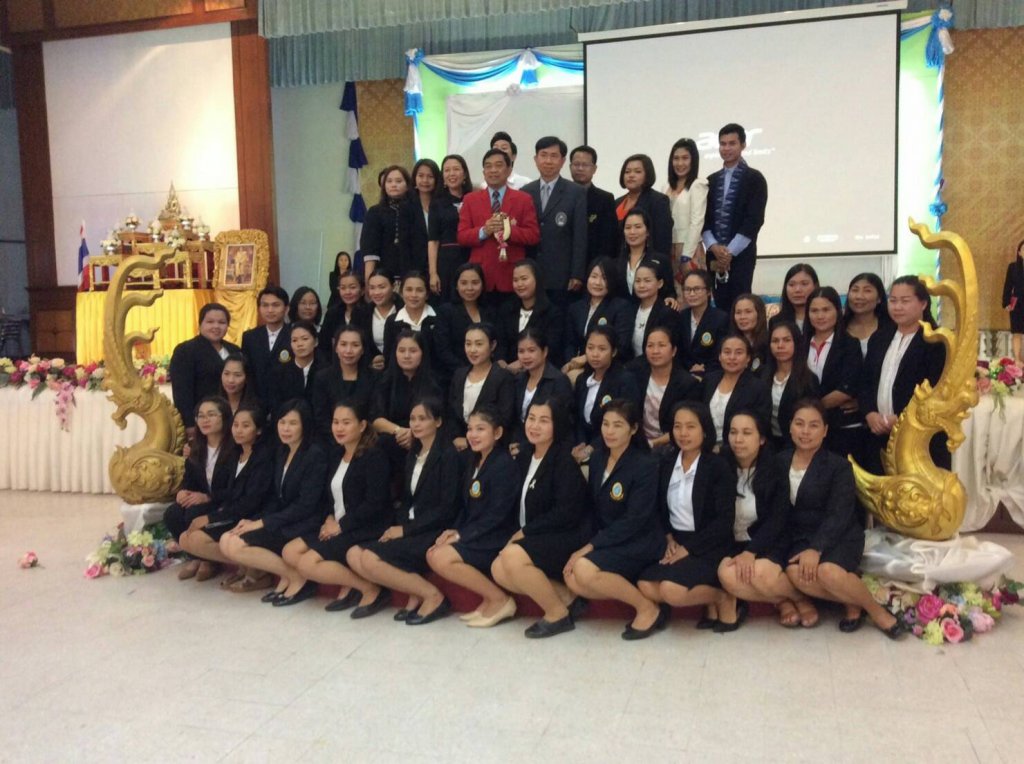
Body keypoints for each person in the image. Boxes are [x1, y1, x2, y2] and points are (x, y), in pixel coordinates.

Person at [778, 400, 903, 637]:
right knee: (795, 574)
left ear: (825, 431)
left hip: (840, 534)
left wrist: (816, 548)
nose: (805, 431)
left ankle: (876, 612)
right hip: (801, 537)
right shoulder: (779, 462)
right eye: (799, 424)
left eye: (814, 425)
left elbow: (839, 514)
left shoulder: (839, 466)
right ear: (790, 427)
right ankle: (851, 601)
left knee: (828, 572)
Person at [564, 399, 667, 640]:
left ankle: (647, 608)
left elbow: (635, 520)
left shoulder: (645, 464)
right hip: (610, 538)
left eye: (618, 425)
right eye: (606, 424)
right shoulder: (598, 458)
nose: (609, 431)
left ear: (633, 429)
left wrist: (591, 547)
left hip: (640, 540)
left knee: (584, 569)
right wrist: (586, 542)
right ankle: (638, 596)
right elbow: (593, 507)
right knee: (573, 579)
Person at [283, 401, 394, 617]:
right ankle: (353, 584)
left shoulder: (374, 456)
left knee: (307, 564)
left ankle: (370, 589)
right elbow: (330, 497)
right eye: (335, 422)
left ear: (362, 425)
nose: (339, 428)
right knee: (291, 551)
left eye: (346, 422)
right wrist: (329, 518)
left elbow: (375, 503)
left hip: (364, 526)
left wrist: (341, 526)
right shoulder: (336, 454)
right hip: (339, 523)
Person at [359, 397, 464, 625]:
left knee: (369, 558)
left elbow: (446, 509)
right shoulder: (413, 453)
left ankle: (434, 596)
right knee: (358, 555)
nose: (416, 424)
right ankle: (416, 593)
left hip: (433, 530)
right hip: (412, 526)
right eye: (412, 419)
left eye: (422, 419)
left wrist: (406, 530)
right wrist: (400, 526)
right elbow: (407, 499)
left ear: (438, 422)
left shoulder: (448, 455)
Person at [637, 402, 741, 631]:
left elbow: (724, 521)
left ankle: (722, 597)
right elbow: (658, 509)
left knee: (671, 590)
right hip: (675, 541)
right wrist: (668, 538)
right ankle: (711, 598)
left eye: (691, 427)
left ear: (705, 430)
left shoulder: (717, 466)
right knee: (645, 584)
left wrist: (689, 548)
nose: (683, 433)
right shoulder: (665, 463)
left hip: (709, 545)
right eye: (678, 426)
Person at [492, 398, 590, 638]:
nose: (534, 426)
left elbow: (566, 513)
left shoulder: (563, 460)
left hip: (564, 534)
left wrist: (525, 532)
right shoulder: (525, 455)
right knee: (498, 569)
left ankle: (557, 614)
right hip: (536, 533)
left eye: (544, 421)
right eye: (531, 418)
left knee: (512, 556)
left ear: (557, 425)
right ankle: (568, 598)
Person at [219, 399, 328, 606]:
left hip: (307, 522)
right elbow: (275, 498)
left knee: (236, 544)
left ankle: (297, 578)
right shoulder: (282, 451)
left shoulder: (315, 455)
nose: (286, 428)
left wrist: (263, 523)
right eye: (282, 422)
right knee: (228, 539)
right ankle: (289, 576)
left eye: (293, 423)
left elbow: (306, 505)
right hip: (285, 519)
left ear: (305, 425)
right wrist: (256, 520)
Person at [426, 407, 520, 627]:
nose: (473, 435)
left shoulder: (504, 465)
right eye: (470, 429)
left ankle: (500, 599)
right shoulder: (472, 460)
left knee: (440, 558)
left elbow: (497, 515)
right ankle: (489, 599)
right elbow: (466, 506)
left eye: (480, 429)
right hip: (476, 532)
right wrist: (454, 530)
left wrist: (462, 535)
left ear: (497, 433)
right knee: (433, 552)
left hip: (496, 536)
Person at [179, 404, 275, 591]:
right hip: (233, 513)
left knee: (196, 538)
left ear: (259, 430)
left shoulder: (262, 458)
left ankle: (257, 570)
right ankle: (245, 566)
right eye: (236, 425)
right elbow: (229, 492)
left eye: (246, 426)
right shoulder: (236, 453)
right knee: (186, 539)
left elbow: (251, 502)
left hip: (251, 517)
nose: (238, 430)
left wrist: (211, 517)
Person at [860, 275, 949, 474]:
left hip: (919, 439)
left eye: (905, 301)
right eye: (893, 300)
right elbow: (865, 382)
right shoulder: (879, 338)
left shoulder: (937, 342)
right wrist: (870, 414)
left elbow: (936, 391)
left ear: (923, 303)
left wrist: (901, 419)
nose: (897, 307)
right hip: (878, 436)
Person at [717, 412, 796, 628]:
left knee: (761, 574)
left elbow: (778, 518)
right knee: (726, 575)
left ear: (761, 439)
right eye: (733, 432)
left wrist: (751, 551)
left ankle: (799, 599)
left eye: (746, 433)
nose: (738, 439)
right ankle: (785, 600)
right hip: (732, 543)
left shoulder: (775, 468)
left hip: (768, 541)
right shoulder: (720, 466)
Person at [457, 148, 541, 306]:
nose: (493, 170)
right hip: (480, 276)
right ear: (483, 172)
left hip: (512, 275)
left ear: (509, 170)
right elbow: (462, 236)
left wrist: (507, 230)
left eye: (498, 165)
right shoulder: (470, 199)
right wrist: (484, 231)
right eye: (488, 166)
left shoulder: (523, 199)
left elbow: (533, 235)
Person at [701, 123, 768, 312]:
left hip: (741, 256)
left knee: (741, 305)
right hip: (714, 255)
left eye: (732, 143)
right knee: (719, 307)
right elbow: (704, 219)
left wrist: (729, 252)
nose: (726, 148)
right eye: (723, 144)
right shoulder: (711, 181)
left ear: (743, 145)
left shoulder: (755, 179)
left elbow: (754, 220)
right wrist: (714, 247)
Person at [166, 396, 234, 581]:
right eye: (201, 416)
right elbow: (189, 479)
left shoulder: (235, 448)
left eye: (211, 415)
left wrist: (208, 497)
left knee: (193, 513)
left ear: (224, 417)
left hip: (224, 500)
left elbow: (236, 487)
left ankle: (208, 560)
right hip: (203, 498)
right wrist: (183, 491)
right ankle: (195, 556)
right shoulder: (196, 447)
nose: (205, 420)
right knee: (172, 513)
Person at [521, 136, 588, 307]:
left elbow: (580, 236)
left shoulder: (576, 192)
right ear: (536, 159)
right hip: (531, 272)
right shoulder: (525, 192)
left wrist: (577, 274)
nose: (548, 161)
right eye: (543, 155)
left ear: (563, 161)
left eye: (554, 156)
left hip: (561, 275)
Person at [372, 329, 442, 476]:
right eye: (402, 350)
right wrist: (400, 431)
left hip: (425, 439)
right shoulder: (384, 380)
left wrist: (414, 434)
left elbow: (438, 420)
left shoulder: (434, 382)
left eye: (413, 351)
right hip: (395, 437)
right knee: (383, 443)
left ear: (422, 353)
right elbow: (377, 419)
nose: (407, 356)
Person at [806, 287, 863, 458]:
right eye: (814, 310)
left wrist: (812, 409)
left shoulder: (850, 344)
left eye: (826, 310)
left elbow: (847, 387)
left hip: (842, 427)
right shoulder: (800, 344)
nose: (820, 316)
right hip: (806, 430)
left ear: (838, 311)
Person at [571, 326, 642, 459]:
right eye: (590, 348)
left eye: (602, 349)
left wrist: (591, 448)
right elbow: (578, 419)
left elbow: (625, 422)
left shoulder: (625, 380)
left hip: (615, 448)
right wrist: (581, 444)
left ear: (613, 352)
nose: (595, 354)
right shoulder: (582, 379)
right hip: (583, 446)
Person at [170, 303, 240, 435]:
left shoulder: (234, 350)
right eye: (210, 322)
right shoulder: (186, 350)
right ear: (200, 324)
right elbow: (182, 391)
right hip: (203, 420)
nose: (216, 326)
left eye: (221, 322)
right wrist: (189, 424)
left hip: (231, 418)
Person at [628, 327, 701, 448]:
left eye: (661, 345)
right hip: (637, 441)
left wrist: (653, 444)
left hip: (672, 445)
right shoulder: (636, 376)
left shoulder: (687, 384)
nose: (655, 351)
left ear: (673, 351)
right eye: (650, 346)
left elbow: (687, 424)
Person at [449, 323, 515, 449]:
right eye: (468, 344)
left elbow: (505, 418)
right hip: (459, 444)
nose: (472, 350)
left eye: (479, 344)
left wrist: (471, 440)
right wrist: (456, 437)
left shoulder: (503, 377)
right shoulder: (459, 375)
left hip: (492, 446)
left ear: (492, 345)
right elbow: (451, 412)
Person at [311, 325, 378, 445]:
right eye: (343, 344)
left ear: (363, 349)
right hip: (331, 441)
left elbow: (375, 414)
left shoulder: (374, 377)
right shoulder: (322, 378)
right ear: (336, 347)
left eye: (355, 345)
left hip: (366, 442)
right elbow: (321, 417)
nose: (348, 350)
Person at [701, 334, 770, 449]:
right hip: (705, 446)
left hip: (738, 448)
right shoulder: (709, 380)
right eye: (727, 352)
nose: (732, 357)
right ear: (720, 356)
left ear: (748, 358)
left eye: (738, 353)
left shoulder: (758, 388)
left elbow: (761, 425)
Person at [564, 257, 633, 371]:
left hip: (609, 367)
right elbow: (569, 343)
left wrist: (586, 358)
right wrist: (571, 363)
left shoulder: (621, 306)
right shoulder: (576, 307)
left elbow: (622, 345)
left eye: (604, 278)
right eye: (594, 276)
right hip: (578, 365)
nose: (597, 282)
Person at [511, 328, 573, 451]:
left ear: (544, 352)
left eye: (531, 350)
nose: (526, 356)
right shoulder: (518, 380)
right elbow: (515, 419)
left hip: (550, 447)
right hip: (520, 443)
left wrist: (525, 447)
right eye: (521, 351)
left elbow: (563, 424)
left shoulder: (559, 381)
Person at [433, 263, 496, 381]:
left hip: (489, 374)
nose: (470, 288)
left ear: (482, 284)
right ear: (456, 285)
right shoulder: (446, 312)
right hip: (455, 375)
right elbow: (443, 350)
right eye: (464, 283)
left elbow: (499, 342)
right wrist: (468, 371)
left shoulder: (491, 311)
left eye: (475, 283)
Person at [497, 260, 564, 369]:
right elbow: (501, 342)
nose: (519, 284)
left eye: (524, 279)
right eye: (515, 280)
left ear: (537, 279)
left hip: (540, 369)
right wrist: (501, 362)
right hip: (507, 370)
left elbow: (551, 348)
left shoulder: (552, 313)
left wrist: (520, 364)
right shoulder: (506, 309)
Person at [765, 320, 819, 451]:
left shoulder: (808, 379)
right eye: (775, 341)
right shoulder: (761, 375)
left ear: (796, 343)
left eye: (786, 340)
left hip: (797, 445)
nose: (780, 345)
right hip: (766, 444)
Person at [428, 154, 474, 300]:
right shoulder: (437, 203)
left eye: (456, 169)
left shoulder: (474, 198)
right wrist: (433, 273)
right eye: (447, 170)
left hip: (471, 256)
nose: (451, 174)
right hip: (446, 261)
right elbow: (433, 241)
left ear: (464, 174)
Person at [664, 138, 709, 277]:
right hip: (669, 247)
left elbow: (697, 221)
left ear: (693, 160)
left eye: (685, 158)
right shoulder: (666, 187)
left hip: (689, 248)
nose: (680, 163)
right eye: (676, 158)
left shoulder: (698, 184)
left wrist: (687, 255)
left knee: (692, 287)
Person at [614, 153, 673, 258]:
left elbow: (662, 240)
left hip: (647, 262)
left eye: (637, 171)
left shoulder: (658, 201)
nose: (631, 175)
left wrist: (655, 264)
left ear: (647, 175)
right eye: (627, 172)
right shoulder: (616, 202)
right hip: (619, 261)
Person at [241, 286, 292, 404]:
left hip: (287, 401)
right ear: (259, 308)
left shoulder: (294, 335)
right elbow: (248, 372)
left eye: (275, 305)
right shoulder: (249, 337)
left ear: (286, 309)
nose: (270, 310)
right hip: (256, 402)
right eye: (265, 305)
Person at [361, 165, 412, 282]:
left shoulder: (414, 210)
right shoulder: (375, 212)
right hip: (383, 276)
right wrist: (369, 281)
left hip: (411, 274)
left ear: (407, 185)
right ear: (384, 186)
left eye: (398, 181)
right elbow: (370, 250)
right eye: (389, 181)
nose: (393, 185)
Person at [569, 145, 618, 264]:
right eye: (576, 164)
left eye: (585, 165)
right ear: (570, 167)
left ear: (594, 169)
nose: (580, 168)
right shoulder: (561, 196)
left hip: (594, 265)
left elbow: (609, 239)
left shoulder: (605, 199)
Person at [616, 208, 675, 305]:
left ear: (647, 231)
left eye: (638, 227)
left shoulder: (661, 261)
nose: (632, 232)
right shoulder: (616, 262)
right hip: (623, 313)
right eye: (628, 227)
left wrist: (670, 298)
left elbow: (670, 292)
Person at [267, 320, 324, 416]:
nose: (299, 344)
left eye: (305, 339)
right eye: (294, 340)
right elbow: (276, 407)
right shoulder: (279, 373)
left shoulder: (325, 371)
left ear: (316, 342)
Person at [679, 269, 729, 377]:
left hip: (712, 375)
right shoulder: (680, 317)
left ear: (708, 291)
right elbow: (678, 352)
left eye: (697, 289)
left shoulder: (721, 318)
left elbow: (721, 352)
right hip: (684, 375)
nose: (692, 294)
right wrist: (690, 369)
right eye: (687, 289)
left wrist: (703, 369)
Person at [382, 271, 437, 368]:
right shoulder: (392, 321)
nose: (414, 295)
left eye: (419, 290)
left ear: (427, 294)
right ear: (401, 292)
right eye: (409, 289)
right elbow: (389, 357)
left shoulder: (438, 319)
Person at [626, 262, 679, 361]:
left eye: (647, 281)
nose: (641, 285)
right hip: (632, 365)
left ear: (660, 283)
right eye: (637, 281)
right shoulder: (629, 310)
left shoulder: (667, 312)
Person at [401, 159, 441, 276]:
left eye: (430, 176)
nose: (425, 180)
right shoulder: (406, 206)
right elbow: (404, 244)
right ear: (414, 178)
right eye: (421, 176)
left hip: (441, 264)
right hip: (415, 267)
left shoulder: (443, 204)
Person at [319, 270, 371, 359]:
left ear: (362, 290)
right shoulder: (332, 313)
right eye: (343, 288)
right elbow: (324, 344)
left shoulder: (369, 312)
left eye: (352, 287)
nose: (347, 292)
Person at [843, 273, 891, 358]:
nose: (859, 296)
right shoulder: (839, 327)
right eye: (855, 290)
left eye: (867, 291)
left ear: (879, 298)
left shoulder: (890, 328)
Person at [769, 264, 819, 341]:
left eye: (804, 284)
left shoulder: (823, 319)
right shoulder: (776, 322)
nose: (797, 290)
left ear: (815, 286)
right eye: (792, 285)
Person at [365, 268, 399, 370]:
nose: (376, 292)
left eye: (382, 287)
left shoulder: (403, 311)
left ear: (393, 286)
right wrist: (371, 361)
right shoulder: (362, 313)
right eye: (372, 288)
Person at [730, 293, 769, 374]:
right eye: (738, 312)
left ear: (759, 314)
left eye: (748, 312)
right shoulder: (729, 342)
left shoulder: (770, 342)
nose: (742, 317)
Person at [1004, 240, 1024, 364]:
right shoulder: (1013, 267)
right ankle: (1017, 359)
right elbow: (1008, 286)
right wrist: (1006, 302)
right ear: (1019, 252)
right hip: (1017, 304)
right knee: (1017, 332)